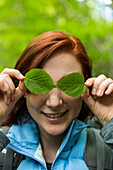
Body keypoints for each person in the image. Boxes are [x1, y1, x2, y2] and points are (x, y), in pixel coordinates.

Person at [0, 30, 113, 170]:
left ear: (87, 85)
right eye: (41, 85)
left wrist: (110, 118)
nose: (54, 102)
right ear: (22, 88)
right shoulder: (4, 149)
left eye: (68, 84)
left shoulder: (107, 149)